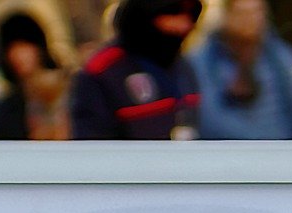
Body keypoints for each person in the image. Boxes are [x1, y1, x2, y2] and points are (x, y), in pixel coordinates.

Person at [70, 0, 204, 140]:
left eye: (192, 15)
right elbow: (91, 148)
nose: (183, 25)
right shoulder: (102, 73)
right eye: (172, 12)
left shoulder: (185, 66)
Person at [189, 0, 292, 140]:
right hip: (223, 150)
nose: (250, 19)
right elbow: (207, 119)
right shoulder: (202, 61)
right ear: (226, 15)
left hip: (277, 150)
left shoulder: (281, 58)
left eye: (257, 12)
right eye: (242, 13)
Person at [0, 8, 70, 140]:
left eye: (25, 45)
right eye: (12, 48)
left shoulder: (68, 89)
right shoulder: (7, 108)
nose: (18, 55)